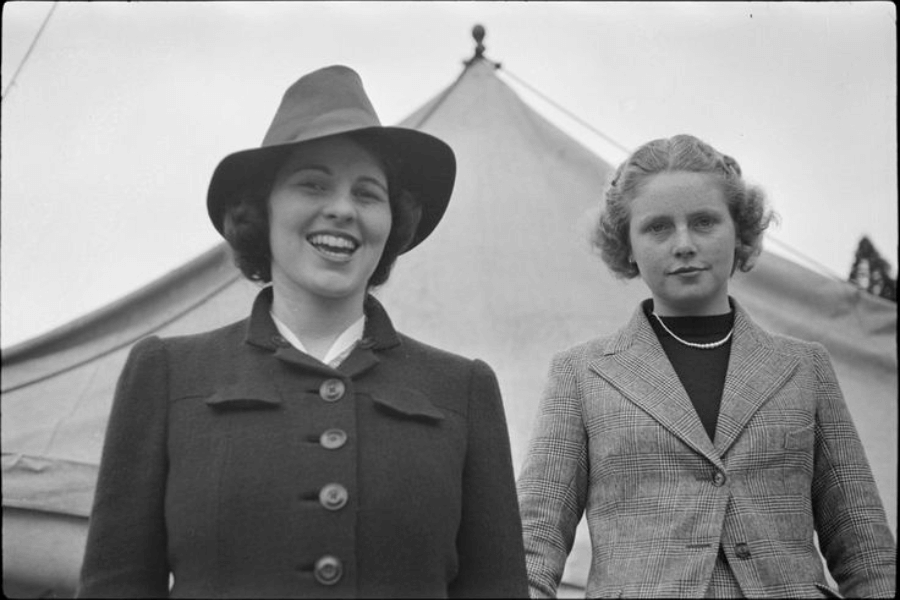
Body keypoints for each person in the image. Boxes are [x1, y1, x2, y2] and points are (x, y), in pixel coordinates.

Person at [77, 65, 528, 598]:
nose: (341, 209)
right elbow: (116, 585)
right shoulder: (166, 373)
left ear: (392, 223)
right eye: (312, 184)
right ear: (259, 212)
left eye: (367, 193)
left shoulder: (463, 389)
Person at [516, 134, 896, 598]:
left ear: (739, 233)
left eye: (704, 222)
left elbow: (868, 556)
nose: (684, 244)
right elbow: (532, 550)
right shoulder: (581, 374)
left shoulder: (804, 368)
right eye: (657, 227)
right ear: (627, 245)